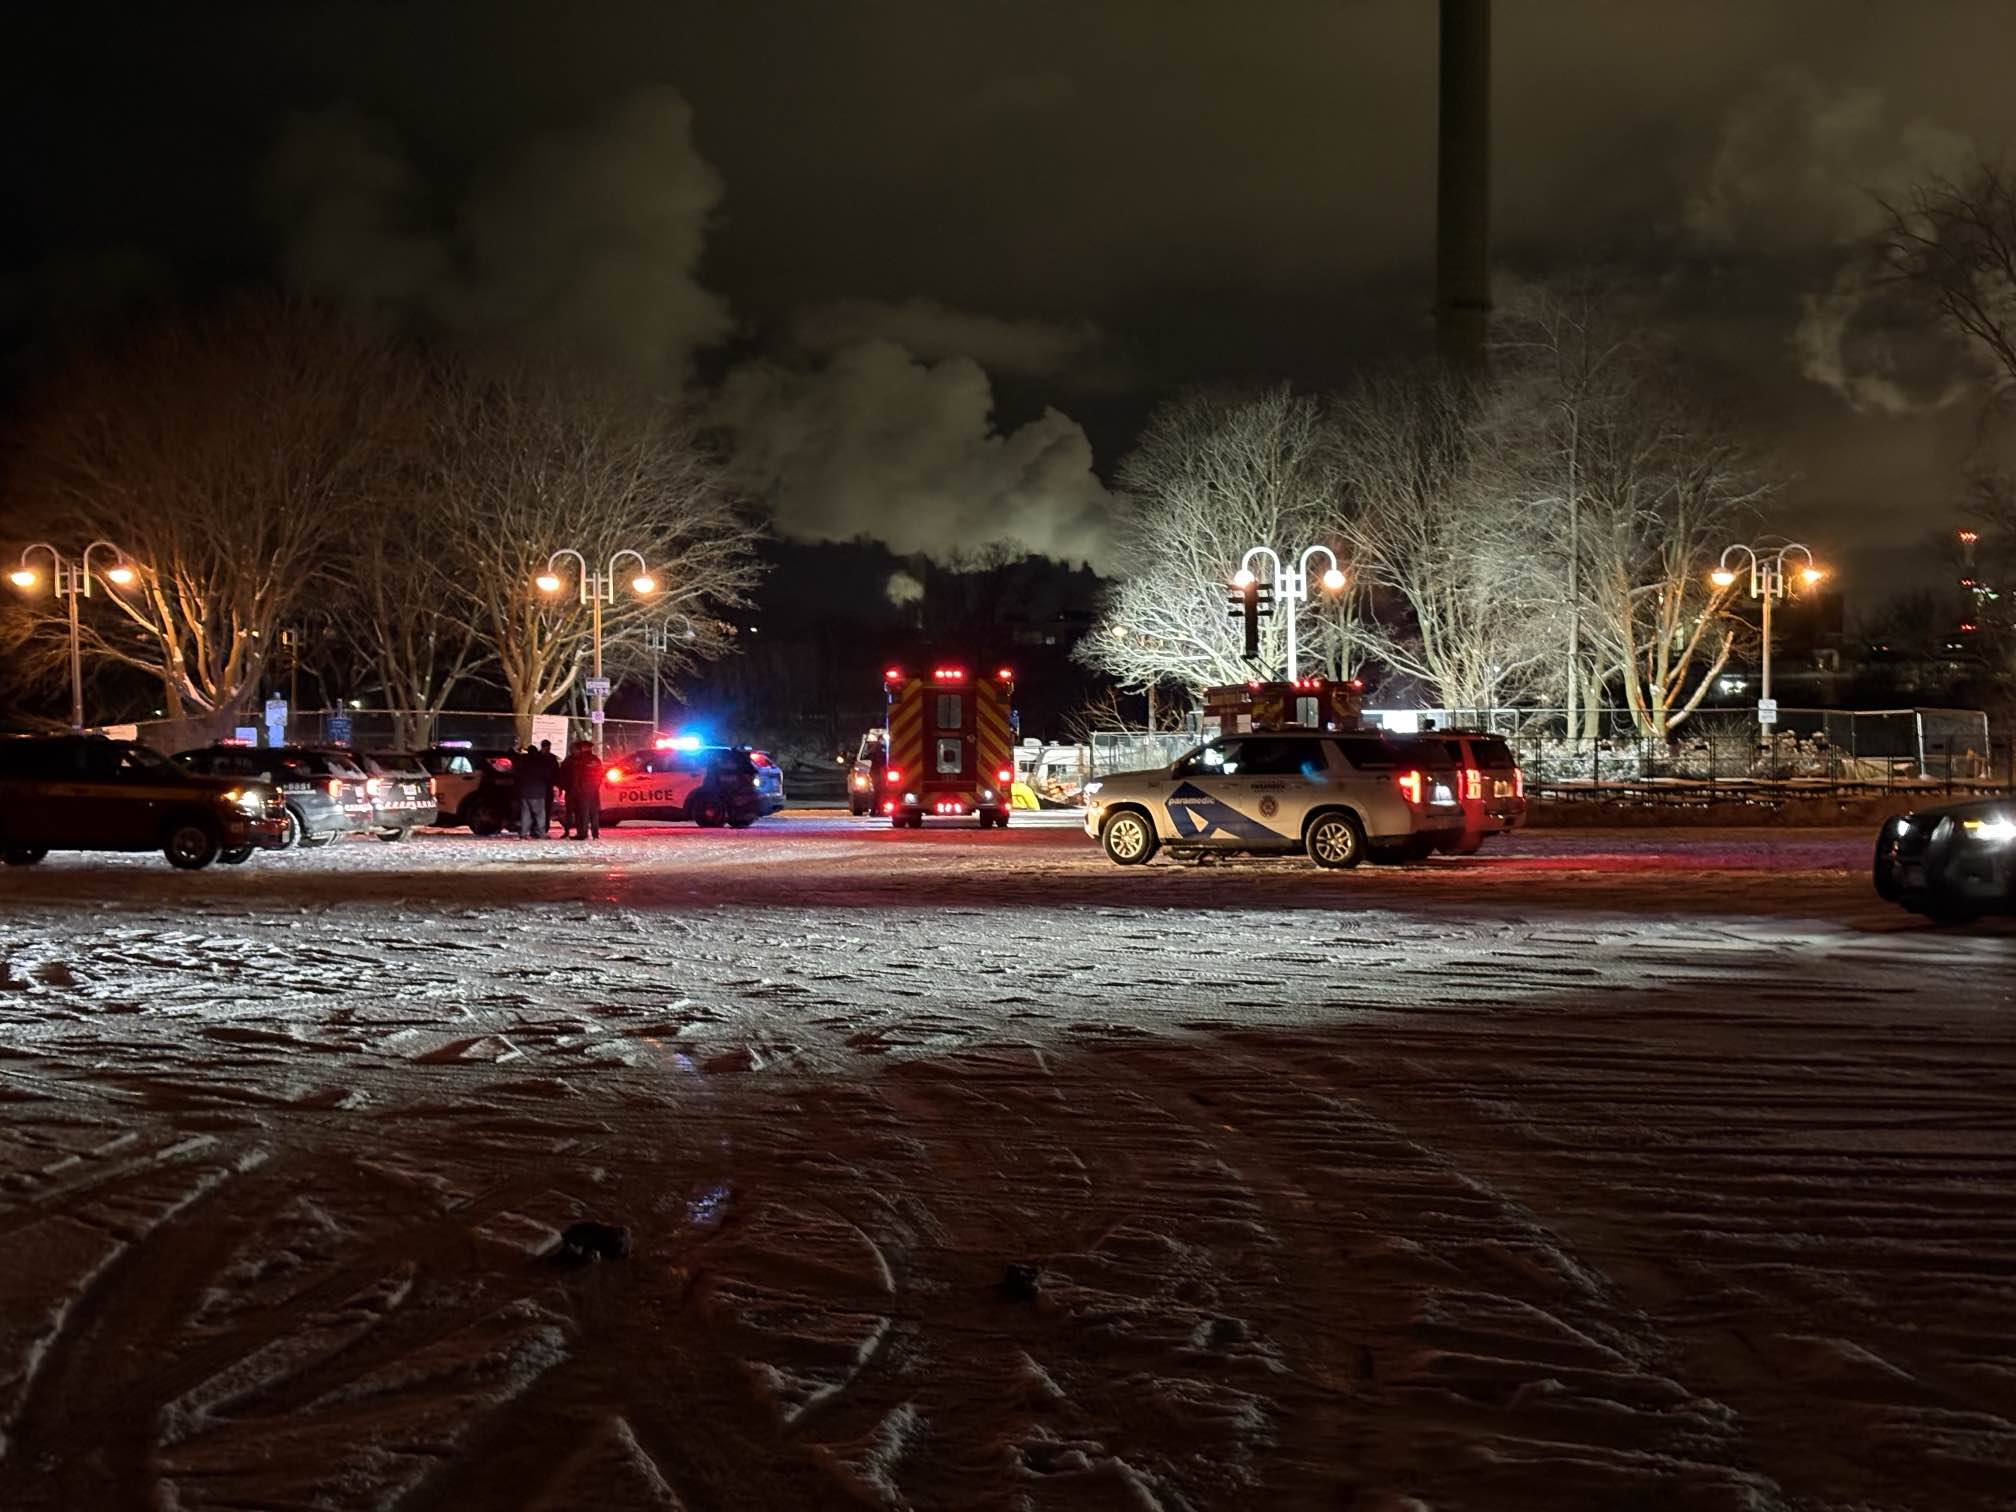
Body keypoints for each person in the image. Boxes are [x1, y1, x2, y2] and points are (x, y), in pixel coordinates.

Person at [560, 740, 603, 839]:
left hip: (582, 790)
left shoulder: (580, 759)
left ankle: (582, 834)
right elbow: (600, 775)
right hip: (594, 790)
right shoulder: (596, 760)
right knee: (593, 812)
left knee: (583, 812)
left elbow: (576, 776)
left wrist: (574, 788)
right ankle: (595, 834)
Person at [515, 743, 551, 838]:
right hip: (537, 792)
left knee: (525, 814)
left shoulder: (522, 761)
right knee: (539, 814)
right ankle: (541, 833)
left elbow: (517, 775)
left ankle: (523, 833)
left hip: (524, 792)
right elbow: (547, 776)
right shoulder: (540, 762)